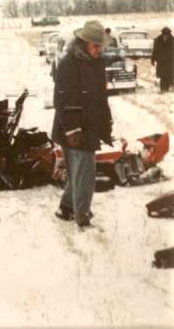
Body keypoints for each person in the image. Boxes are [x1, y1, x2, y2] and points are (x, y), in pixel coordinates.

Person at [52, 20, 113, 230]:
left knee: (78, 172)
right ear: (84, 43)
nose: (99, 49)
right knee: (85, 176)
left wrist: (107, 121)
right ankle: (83, 219)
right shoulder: (69, 64)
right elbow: (62, 99)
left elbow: (101, 97)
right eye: (96, 46)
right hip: (75, 130)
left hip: (88, 127)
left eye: (101, 46)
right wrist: (73, 130)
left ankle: (67, 208)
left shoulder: (96, 63)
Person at [151, 27, 173, 92]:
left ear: (169, 34)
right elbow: (155, 51)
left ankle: (167, 87)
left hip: (170, 61)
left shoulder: (172, 40)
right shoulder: (157, 40)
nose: (165, 36)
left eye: (167, 35)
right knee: (162, 75)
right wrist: (153, 59)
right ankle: (163, 88)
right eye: (164, 34)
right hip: (161, 61)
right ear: (162, 34)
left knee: (169, 75)